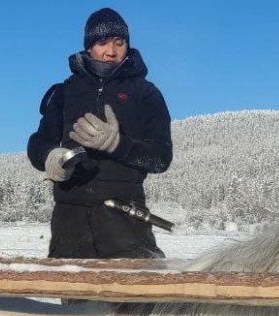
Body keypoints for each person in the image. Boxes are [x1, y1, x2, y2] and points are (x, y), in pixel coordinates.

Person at [27, 7, 172, 259]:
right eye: (102, 42)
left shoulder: (146, 93)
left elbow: (160, 158)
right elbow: (38, 144)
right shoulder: (64, 92)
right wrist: (51, 157)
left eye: (119, 42)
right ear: (88, 46)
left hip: (125, 220)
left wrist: (118, 145)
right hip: (69, 222)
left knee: (135, 297)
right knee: (76, 297)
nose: (111, 52)